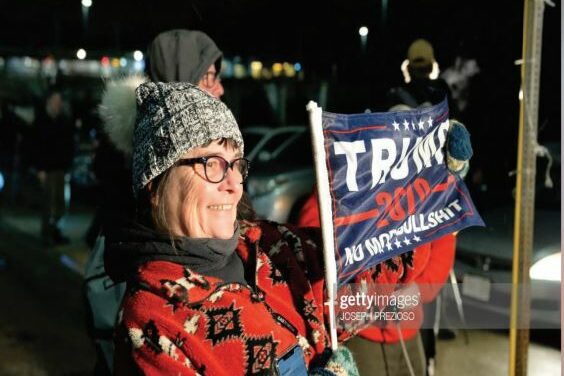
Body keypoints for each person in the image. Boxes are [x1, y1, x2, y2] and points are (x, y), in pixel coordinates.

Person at [104, 81, 361, 375]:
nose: (235, 184)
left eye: (236, 164)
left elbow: (372, 274)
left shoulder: (270, 245)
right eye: (212, 164)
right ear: (155, 186)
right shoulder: (152, 325)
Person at [85, 29, 229, 375]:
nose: (220, 88)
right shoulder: (145, 166)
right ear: (183, 78)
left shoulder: (206, 153)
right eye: (209, 76)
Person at [29, 87, 75, 246]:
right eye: (55, 101)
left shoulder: (63, 121)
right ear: (49, 102)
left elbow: (69, 144)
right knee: (48, 202)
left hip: (60, 167)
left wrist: (67, 164)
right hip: (47, 168)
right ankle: (46, 234)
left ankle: (54, 231)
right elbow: (35, 146)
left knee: (60, 203)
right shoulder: (41, 121)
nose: (58, 104)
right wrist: (39, 168)